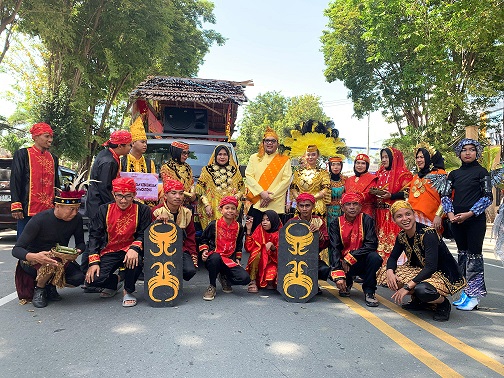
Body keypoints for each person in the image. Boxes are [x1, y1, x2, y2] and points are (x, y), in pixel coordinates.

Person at [378, 201, 466, 321]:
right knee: (384, 274)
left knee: (423, 290)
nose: (405, 219)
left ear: (414, 215)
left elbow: (431, 267)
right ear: (394, 220)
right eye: (399, 216)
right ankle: (420, 301)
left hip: (441, 273)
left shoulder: (428, 234)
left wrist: (407, 287)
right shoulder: (402, 236)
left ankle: (442, 303)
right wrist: (389, 272)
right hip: (419, 269)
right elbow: (393, 258)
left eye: (408, 214)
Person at [12, 186, 86, 308]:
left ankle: (50, 286)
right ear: (57, 206)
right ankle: (39, 289)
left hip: (59, 259)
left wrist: (76, 251)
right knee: (50, 263)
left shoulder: (77, 219)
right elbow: (16, 250)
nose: (75, 213)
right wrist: (35, 256)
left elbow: (81, 243)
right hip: (33, 260)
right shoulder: (39, 220)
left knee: (78, 278)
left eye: (77, 209)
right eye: (71, 209)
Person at [441, 138, 492, 311]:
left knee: (475, 256)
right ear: (459, 153)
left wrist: (469, 214)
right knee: (462, 256)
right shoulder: (454, 174)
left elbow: (487, 198)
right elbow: (446, 196)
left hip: (475, 221)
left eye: (471, 149)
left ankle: (475, 296)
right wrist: (451, 215)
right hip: (456, 221)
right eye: (464, 150)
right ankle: (465, 292)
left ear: (477, 152)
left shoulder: (482, 172)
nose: (467, 153)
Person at [85, 177, 152, 307]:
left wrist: (135, 248)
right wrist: (94, 261)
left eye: (128, 196)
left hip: (131, 250)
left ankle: (128, 291)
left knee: (134, 260)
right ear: (113, 194)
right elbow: (94, 236)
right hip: (109, 249)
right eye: (119, 196)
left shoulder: (142, 210)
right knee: (92, 280)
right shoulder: (104, 210)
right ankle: (115, 281)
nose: (123, 200)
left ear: (134, 195)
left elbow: (144, 232)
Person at [329, 192, 382, 307]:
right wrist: (338, 274)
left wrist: (352, 256)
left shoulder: (367, 220)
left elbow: (372, 244)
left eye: (355, 204)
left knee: (375, 258)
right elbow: (334, 248)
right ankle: (346, 282)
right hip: (344, 263)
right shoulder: (335, 223)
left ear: (360, 206)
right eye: (348, 204)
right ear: (342, 207)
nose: (352, 207)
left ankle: (369, 291)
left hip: (362, 260)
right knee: (332, 271)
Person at [10, 122, 60, 239]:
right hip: (27, 209)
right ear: (36, 137)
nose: (50, 140)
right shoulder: (23, 154)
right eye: (47, 136)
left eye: (51, 137)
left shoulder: (54, 158)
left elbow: (56, 184)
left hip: (49, 211)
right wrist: (16, 205)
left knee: (46, 244)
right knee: (24, 245)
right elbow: (16, 180)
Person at [199, 196, 250, 301]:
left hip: (229, 259)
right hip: (214, 257)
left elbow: (239, 243)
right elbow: (203, 239)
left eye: (233, 208)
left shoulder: (239, 227)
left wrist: (238, 259)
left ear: (236, 211)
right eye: (227, 208)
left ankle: (224, 277)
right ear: (221, 210)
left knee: (245, 278)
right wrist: (204, 251)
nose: (230, 211)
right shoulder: (214, 224)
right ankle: (212, 285)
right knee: (215, 258)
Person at [245, 127, 292, 231]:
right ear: (263, 143)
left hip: (275, 206)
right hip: (257, 204)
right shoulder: (254, 158)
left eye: (273, 141)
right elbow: (249, 176)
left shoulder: (284, 160)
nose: (269, 143)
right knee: (254, 237)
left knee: (274, 240)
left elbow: (286, 180)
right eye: (267, 140)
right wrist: (261, 193)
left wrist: (271, 196)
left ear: (277, 144)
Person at [151, 179, 198, 281]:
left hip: (180, 248)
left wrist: (192, 253)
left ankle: (175, 282)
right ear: (166, 195)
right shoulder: (156, 211)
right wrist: (158, 223)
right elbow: (149, 236)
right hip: (160, 250)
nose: (178, 197)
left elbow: (190, 235)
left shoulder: (187, 212)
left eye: (181, 194)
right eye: (173, 193)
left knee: (190, 270)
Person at [373, 147, 413, 263]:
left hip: (393, 214)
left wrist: (391, 195)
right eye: (382, 157)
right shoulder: (379, 173)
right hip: (378, 214)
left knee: (393, 242)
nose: (383, 160)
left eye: (386, 157)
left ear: (393, 158)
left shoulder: (403, 174)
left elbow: (408, 192)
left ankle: (393, 268)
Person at [85, 130, 132, 220]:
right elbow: (104, 188)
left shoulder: (106, 153)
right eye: (129, 145)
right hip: (99, 206)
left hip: (97, 203)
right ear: (120, 146)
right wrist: (115, 206)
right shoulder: (109, 162)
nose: (130, 148)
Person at [196, 145, 244, 230]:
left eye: (225, 154)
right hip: (212, 209)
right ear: (215, 156)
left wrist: (235, 198)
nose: (222, 157)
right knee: (213, 234)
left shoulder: (235, 171)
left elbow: (241, 189)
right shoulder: (206, 170)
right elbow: (200, 190)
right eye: (219, 154)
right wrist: (206, 204)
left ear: (228, 156)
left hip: (230, 209)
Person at [289, 192, 330, 290]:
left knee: (325, 270)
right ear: (297, 207)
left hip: (313, 258)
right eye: (301, 206)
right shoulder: (291, 222)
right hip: (294, 259)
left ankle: (313, 283)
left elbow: (326, 242)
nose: (304, 209)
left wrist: (319, 235)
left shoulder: (319, 221)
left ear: (313, 206)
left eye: (307, 205)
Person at [120, 116, 158, 207]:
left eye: (146, 142)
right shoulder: (122, 161)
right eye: (142, 142)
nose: (145, 145)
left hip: (146, 205)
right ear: (133, 143)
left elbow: (152, 186)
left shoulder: (149, 163)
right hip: (125, 202)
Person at [407, 144, 446, 230]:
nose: (418, 160)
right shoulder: (416, 177)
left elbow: (446, 197)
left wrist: (439, 216)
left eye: (422, 157)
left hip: (432, 220)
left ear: (429, 158)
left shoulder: (439, 174)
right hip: (413, 220)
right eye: (417, 157)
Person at [244, 210, 282, 293]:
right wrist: (249, 230)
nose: (264, 222)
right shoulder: (259, 230)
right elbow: (248, 248)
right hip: (259, 265)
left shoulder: (280, 233)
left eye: (268, 220)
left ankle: (270, 282)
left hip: (273, 263)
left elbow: (283, 255)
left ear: (274, 220)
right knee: (256, 251)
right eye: (263, 220)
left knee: (271, 275)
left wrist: (273, 248)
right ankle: (253, 280)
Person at [289, 145, 331, 217]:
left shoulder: (323, 173)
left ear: (317, 156)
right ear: (305, 156)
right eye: (308, 155)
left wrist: (312, 199)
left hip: (317, 206)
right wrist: (300, 199)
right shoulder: (297, 173)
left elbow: (326, 188)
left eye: (313, 154)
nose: (310, 157)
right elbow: (293, 188)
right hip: (301, 206)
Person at [344, 154, 376, 218]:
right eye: (358, 163)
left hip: (365, 213)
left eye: (363, 163)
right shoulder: (349, 179)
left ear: (367, 166)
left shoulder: (372, 178)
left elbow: (369, 194)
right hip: (349, 213)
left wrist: (352, 198)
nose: (360, 166)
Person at [327, 156, 347, 227]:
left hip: (342, 211)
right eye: (333, 164)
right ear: (329, 166)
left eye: (338, 164)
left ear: (341, 166)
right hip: (327, 211)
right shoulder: (325, 179)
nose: (336, 167)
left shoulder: (345, 179)